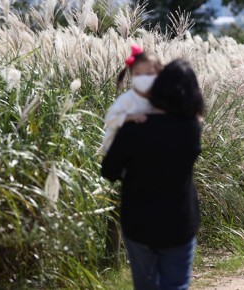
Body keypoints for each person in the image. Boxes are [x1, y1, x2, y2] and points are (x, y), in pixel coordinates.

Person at [101, 59, 204, 290]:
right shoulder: (191, 129)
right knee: (176, 285)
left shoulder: (133, 127)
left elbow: (108, 171)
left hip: (139, 222)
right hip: (180, 221)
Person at [100, 44, 163, 154]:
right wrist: (130, 117)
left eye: (149, 73)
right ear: (131, 74)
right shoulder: (127, 99)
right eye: (138, 74)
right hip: (117, 150)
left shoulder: (158, 98)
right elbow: (109, 119)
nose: (143, 78)